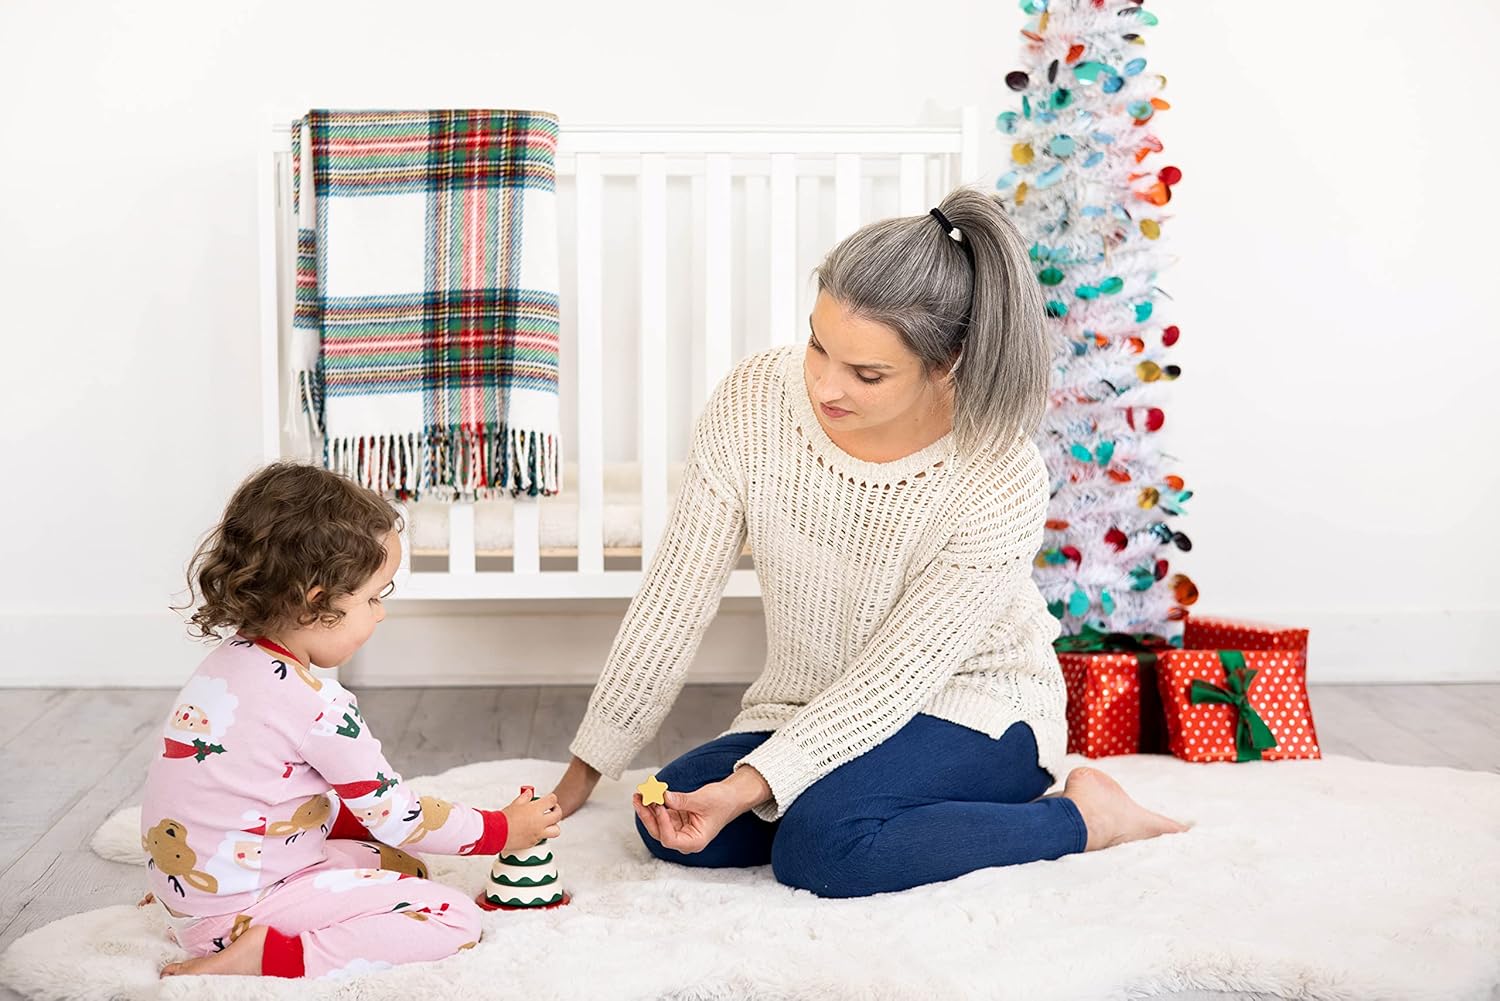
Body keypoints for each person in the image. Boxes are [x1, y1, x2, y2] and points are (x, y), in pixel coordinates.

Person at [550, 187, 1188, 898]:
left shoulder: (998, 472)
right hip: (815, 704)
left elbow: (898, 676)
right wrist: (586, 769)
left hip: (972, 706)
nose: (825, 384)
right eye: (820, 345)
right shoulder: (755, 400)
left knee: (822, 848)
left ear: (946, 363)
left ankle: (1083, 816)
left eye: (867, 373)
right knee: (671, 806)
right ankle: (891, 808)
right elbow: (676, 594)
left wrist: (756, 782)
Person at [142, 462, 562, 977]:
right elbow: (400, 817)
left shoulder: (226, 667)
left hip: (195, 896)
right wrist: (499, 830)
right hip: (239, 911)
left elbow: (267, 796)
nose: (380, 613)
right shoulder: (317, 704)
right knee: (451, 916)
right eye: (372, 598)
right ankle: (265, 955)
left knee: (391, 863)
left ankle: (220, 923)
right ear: (318, 603)